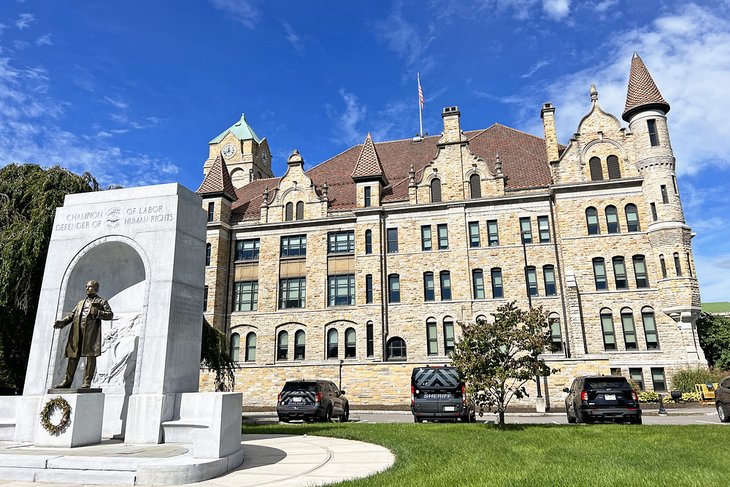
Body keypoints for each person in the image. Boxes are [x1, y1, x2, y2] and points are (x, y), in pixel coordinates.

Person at [54, 280, 114, 388]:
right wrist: (63, 322)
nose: (87, 288)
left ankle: (87, 382)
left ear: (96, 289)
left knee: (90, 358)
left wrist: (98, 313)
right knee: (73, 357)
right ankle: (67, 381)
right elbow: (72, 315)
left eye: (90, 287)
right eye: (86, 287)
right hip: (77, 333)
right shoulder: (80, 303)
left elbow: (110, 315)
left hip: (91, 335)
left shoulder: (101, 302)